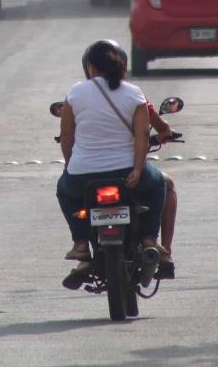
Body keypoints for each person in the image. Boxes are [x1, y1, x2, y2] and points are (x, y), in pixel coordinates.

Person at [56, 40, 172, 289]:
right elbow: (142, 136)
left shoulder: (75, 92)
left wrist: (70, 167)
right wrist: (138, 170)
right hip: (126, 174)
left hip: (82, 176)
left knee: (64, 190)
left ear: (90, 66)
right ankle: (151, 239)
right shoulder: (133, 93)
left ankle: (80, 243)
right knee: (159, 185)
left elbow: (67, 136)